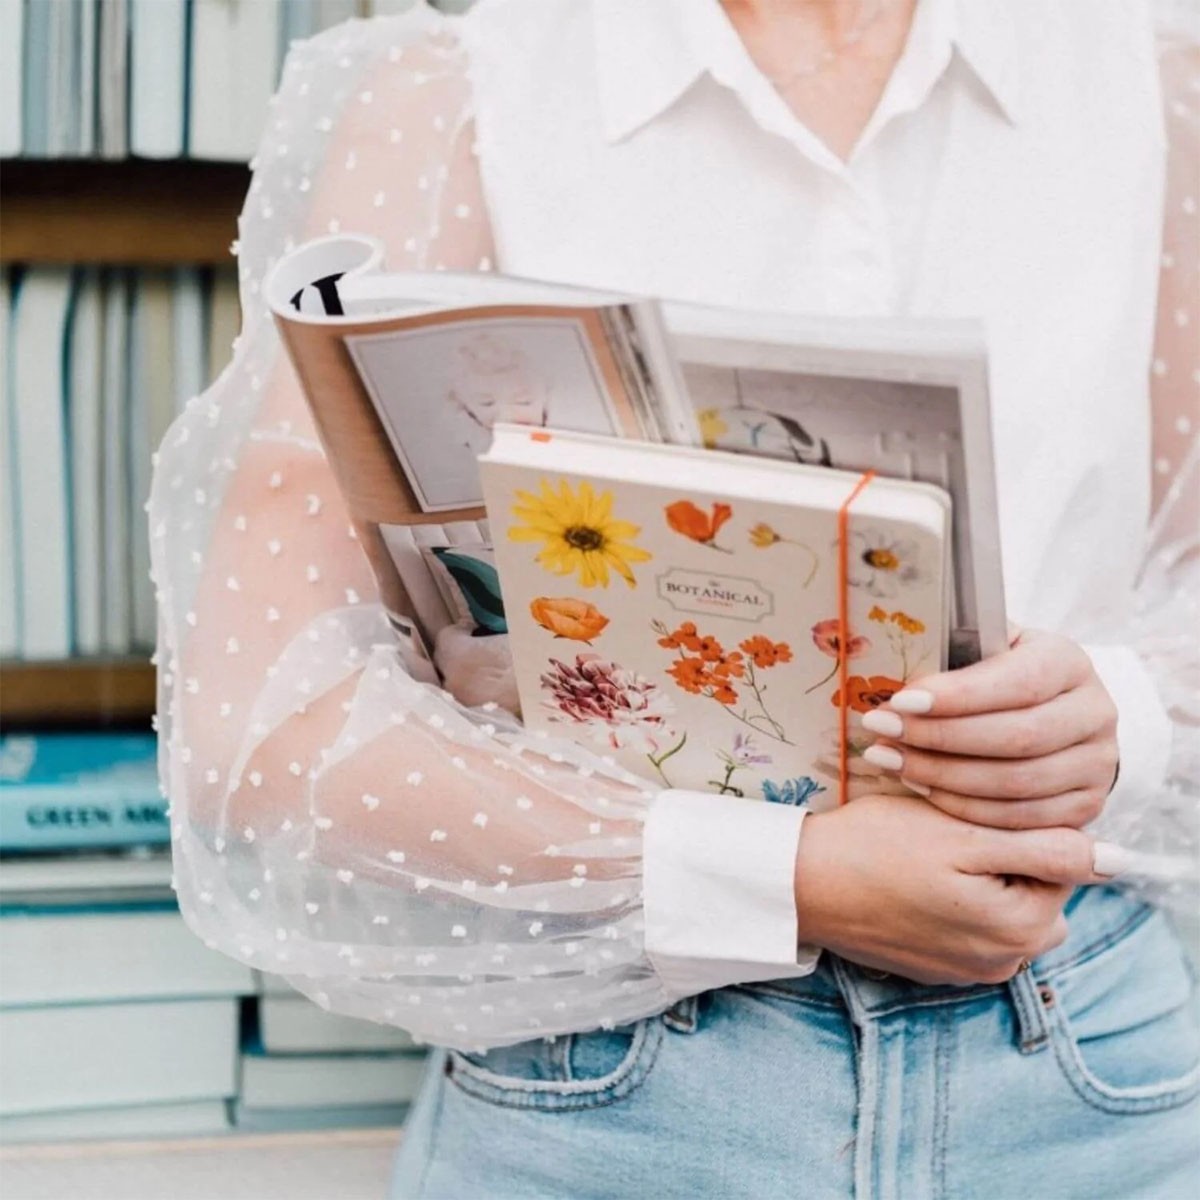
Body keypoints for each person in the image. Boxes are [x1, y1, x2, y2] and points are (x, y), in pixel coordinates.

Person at [149, 1, 1200, 1195]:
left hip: (1081, 1066)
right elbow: (257, 722)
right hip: (615, 1093)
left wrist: (1117, 714)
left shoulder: (1153, 78)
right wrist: (782, 872)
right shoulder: (461, 92)